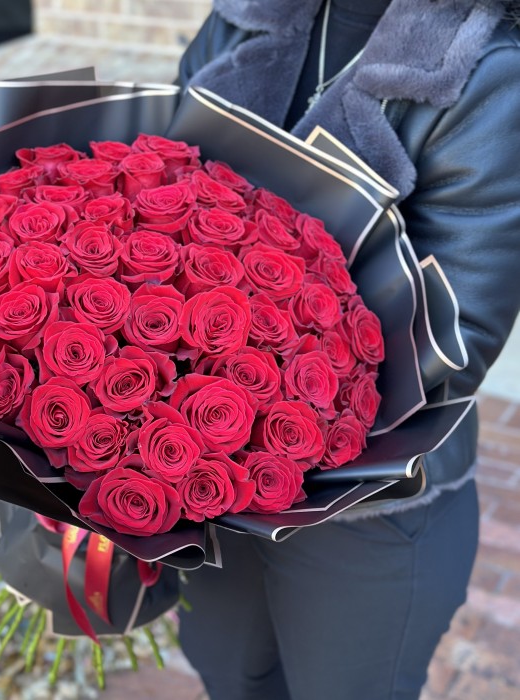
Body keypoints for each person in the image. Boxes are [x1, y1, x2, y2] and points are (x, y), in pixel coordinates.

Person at [175, 1, 520, 698]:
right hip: (199, 471)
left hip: (367, 502)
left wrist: (216, 394)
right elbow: (156, 179)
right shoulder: (244, 17)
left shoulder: (487, 75)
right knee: (227, 671)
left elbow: (450, 344)